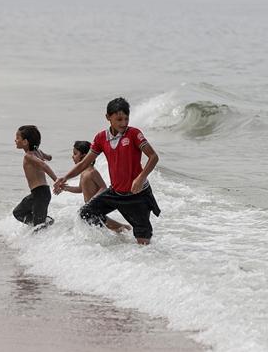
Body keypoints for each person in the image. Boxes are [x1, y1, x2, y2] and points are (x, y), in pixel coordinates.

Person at [53, 97, 161, 245]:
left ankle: (143, 264)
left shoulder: (134, 134)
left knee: (143, 242)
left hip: (138, 194)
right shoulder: (101, 138)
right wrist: (64, 178)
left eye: (126, 119)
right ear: (108, 117)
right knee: (86, 214)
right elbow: (84, 163)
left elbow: (153, 157)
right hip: (115, 193)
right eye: (119, 119)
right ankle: (109, 247)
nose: (123, 123)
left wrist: (141, 177)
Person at [55, 140, 131, 233]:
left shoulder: (92, 172)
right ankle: (125, 231)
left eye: (75, 154)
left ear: (83, 156)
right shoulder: (83, 172)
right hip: (90, 209)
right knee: (107, 228)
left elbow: (103, 187)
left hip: (95, 208)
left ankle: (128, 229)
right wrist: (66, 188)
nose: (72, 156)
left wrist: (93, 200)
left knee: (115, 227)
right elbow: (80, 189)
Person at [12, 125, 58, 229]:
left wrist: (56, 180)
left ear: (25, 142)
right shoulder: (38, 151)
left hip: (40, 194)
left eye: (17, 137)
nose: (15, 140)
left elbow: (43, 164)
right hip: (39, 193)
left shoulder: (28, 156)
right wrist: (47, 156)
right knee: (18, 212)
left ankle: (44, 224)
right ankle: (45, 222)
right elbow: (48, 158)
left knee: (38, 227)